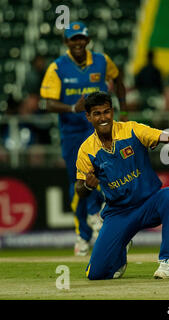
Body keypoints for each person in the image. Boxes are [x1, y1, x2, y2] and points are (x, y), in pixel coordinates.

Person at [75, 91, 169, 280]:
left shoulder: (132, 130)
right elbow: (80, 189)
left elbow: (165, 136)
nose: (103, 118)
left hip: (149, 204)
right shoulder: (86, 150)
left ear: (113, 111)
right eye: (97, 114)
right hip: (119, 213)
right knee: (95, 274)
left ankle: (167, 262)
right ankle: (120, 251)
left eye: (106, 112)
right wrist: (88, 186)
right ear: (88, 117)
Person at [39, 21, 128, 256]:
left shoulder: (101, 60)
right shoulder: (57, 67)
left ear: (87, 40)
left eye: (81, 38)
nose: (78, 42)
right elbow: (48, 104)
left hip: (98, 130)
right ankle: (84, 233)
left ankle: (103, 223)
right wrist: (71, 109)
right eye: (73, 38)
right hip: (71, 133)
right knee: (77, 182)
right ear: (66, 42)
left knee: (104, 173)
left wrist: (124, 109)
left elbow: (118, 79)